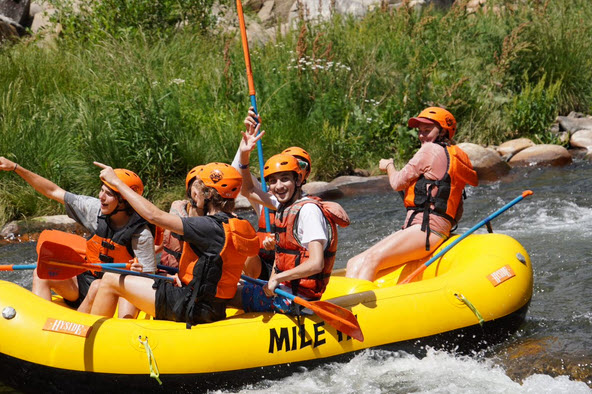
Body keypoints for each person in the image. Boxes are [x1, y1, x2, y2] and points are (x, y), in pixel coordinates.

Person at [90, 162, 260, 325]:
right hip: (212, 307)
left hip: (188, 306)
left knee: (110, 279)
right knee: (136, 278)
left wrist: (117, 183)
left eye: (198, 190)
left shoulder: (207, 226)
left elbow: (154, 216)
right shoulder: (241, 225)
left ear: (207, 195)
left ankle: (89, 335)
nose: (194, 194)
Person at [0, 157, 156, 315]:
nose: (101, 196)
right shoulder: (96, 210)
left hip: (113, 294)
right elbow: (53, 191)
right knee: (41, 273)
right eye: (101, 190)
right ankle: (40, 323)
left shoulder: (141, 234)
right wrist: (16, 167)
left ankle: (75, 330)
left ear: (125, 201)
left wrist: (139, 273)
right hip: (86, 280)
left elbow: (148, 281)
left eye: (108, 194)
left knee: (97, 287)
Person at [345, 107, 479, 281]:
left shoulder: (429, 150)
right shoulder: (452, 156)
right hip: (430, 229)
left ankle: (355, 308)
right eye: (420, 131)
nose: (422, 135)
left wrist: (388, 166)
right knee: (354, 262)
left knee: (371, 260)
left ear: (443, 131)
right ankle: (347, 302)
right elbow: (457, 210)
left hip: (427, 229)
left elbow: (397, 182)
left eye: (427, 130)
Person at [236, 124, 347, 314]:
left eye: (285, 179)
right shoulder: (283, 205)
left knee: (224, 294)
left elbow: (316, 263)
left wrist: (277, 279)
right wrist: (244, 156)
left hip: (296, 300)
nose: (278, 186)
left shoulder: (308, 211)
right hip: (284, 291)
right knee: (227, 286)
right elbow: (247, 190)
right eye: (273, 181)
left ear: (298, 180)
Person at [232, 108, 313, 280]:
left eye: (302, 165)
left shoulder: (308, 208)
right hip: (261, 269)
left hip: (290, 271)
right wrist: (245, 147)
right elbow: (236, 177)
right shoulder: (270, 198)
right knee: (245, 242)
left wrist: (278, 244)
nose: (298, 168)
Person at [158, 165, 205, 270]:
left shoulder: (216, 220)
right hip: (167, 268)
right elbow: (166, 238)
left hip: (193, 274)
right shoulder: (177, 208)